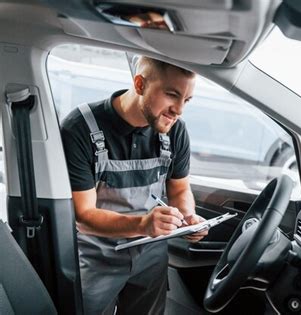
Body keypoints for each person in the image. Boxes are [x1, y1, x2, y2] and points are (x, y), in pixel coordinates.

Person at [60, 56, 208, 314]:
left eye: (186, 100)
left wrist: (187, 217)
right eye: (172, 94)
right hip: (96, 257)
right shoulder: (80, 128)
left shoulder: (175, 131)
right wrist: (143, 224)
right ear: (140, 84)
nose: (179, 110)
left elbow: (180, 189)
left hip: (150, 255)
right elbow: (83, 216)